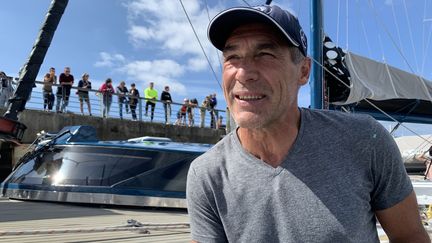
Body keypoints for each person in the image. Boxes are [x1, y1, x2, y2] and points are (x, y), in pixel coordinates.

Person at [186, 4, 429, 243]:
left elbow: (410, 236)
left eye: (265, 55)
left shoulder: (364, 141)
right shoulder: (207, 174)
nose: (243, 72)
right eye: (232, 57)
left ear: (303, 71)